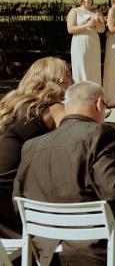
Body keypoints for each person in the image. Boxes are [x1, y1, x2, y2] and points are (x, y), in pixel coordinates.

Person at [14, 81, 115, 266]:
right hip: (96, 250)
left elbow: (18, 201)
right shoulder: (99, 135)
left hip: (44, 252)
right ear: (98, 103)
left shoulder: (31, 146)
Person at [0, 57, 70, 238]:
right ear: (60, 80)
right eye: (69, 75)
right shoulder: (53, 109)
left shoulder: (11, 103)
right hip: (12, 196)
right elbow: (76, 139)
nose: (73, 80)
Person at [66, 0, 104, 85]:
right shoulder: (75, 11)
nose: (87, 0)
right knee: (81, 67)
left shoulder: (97, 12)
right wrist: (87, 25)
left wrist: (97, 22)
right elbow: (70, 29)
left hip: (93, 43)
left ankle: (95, 95)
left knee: (93, 68)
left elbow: (102, 29)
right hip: (80, 43)